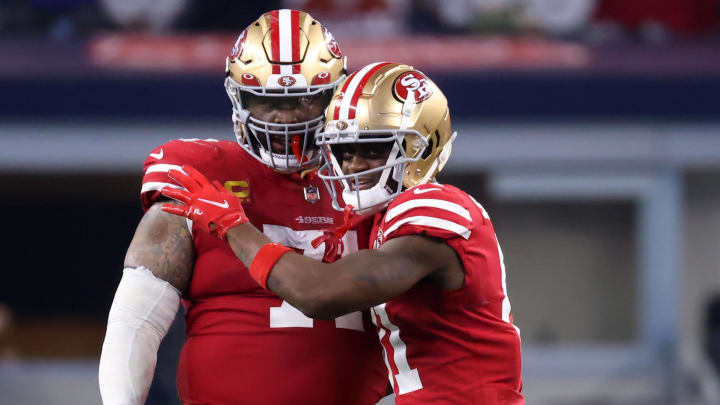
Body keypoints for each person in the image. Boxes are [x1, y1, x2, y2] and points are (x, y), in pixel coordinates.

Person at [161, 62, 525, 404]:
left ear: (422, 146)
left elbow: (321, 293)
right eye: (343, 150)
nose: (353, 164)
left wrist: (234, 226)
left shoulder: (436, 205)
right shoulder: (380, 223)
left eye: (371, 148)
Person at [98, 10, 387, 405]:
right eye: (266, 100)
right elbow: (137, 318)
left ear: (336, 95)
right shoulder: (200, 175)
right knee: (167, 218)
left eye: (304, 98)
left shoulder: (377, 181)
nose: (286, 117)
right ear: (239, 97)